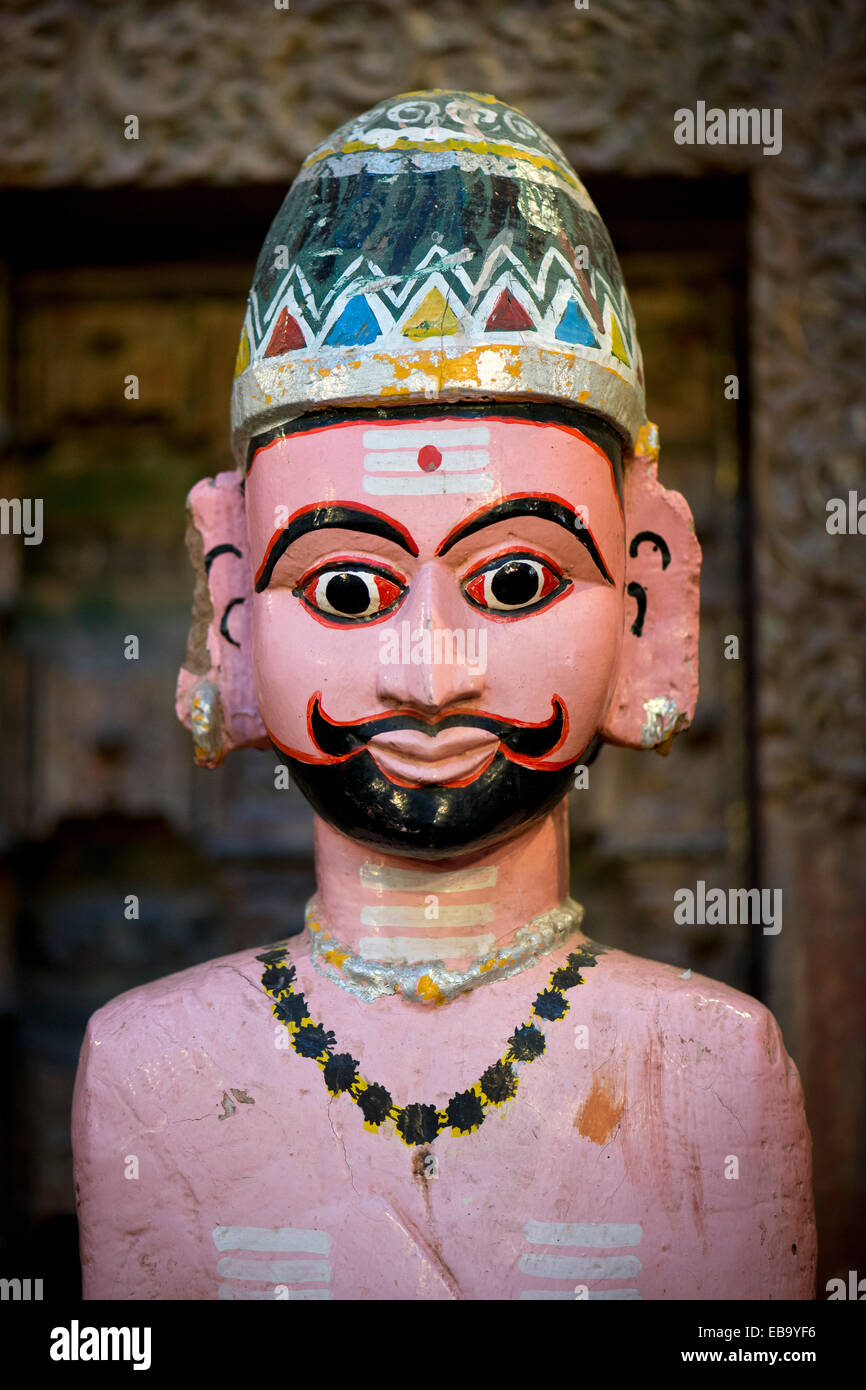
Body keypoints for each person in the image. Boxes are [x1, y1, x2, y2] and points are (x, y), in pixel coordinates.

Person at [73, 91, 814, 1300]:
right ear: (234, 619)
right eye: (348, 587)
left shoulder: (712, 1067)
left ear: (645, 605)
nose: (430, 671)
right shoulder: (149, 1068)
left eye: (513, 578)